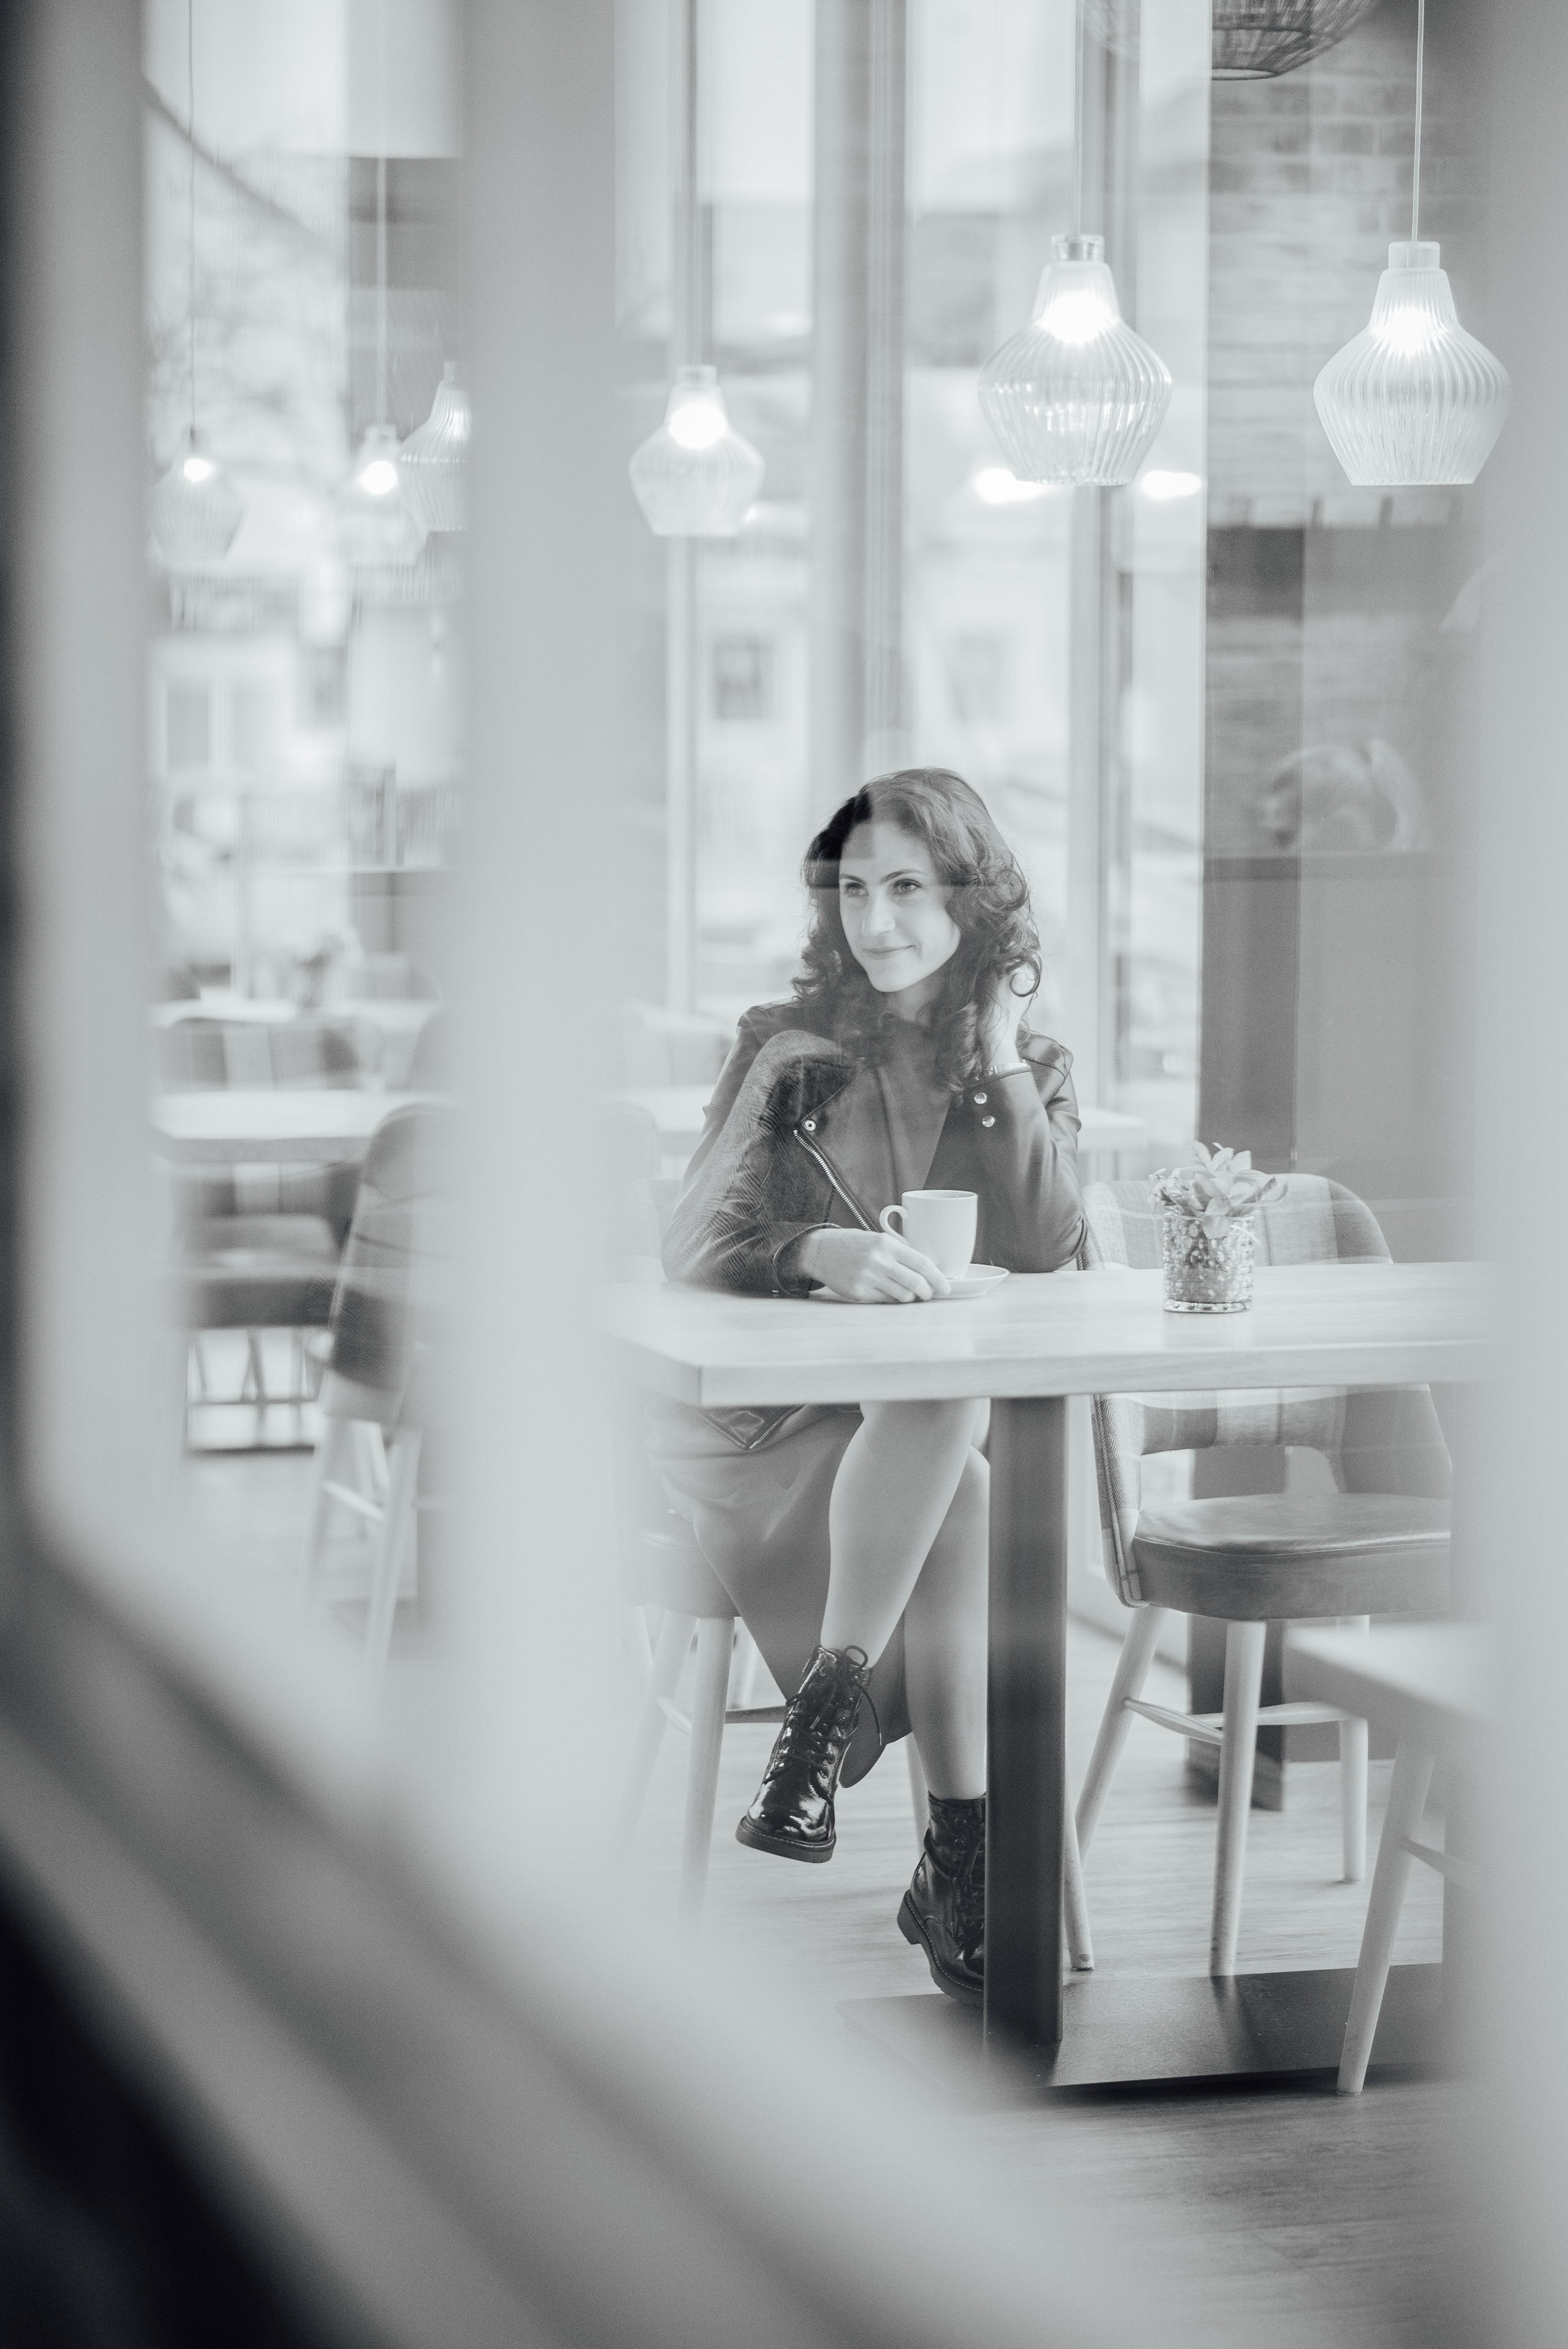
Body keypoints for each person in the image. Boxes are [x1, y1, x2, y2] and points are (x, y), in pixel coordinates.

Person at [651, 767, 1084, 2004]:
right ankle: (959, 1867)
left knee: (947, 1430)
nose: (875, 919)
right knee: (961, 1473)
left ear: (970, 900)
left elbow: (1049, 1245)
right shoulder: (785, 1049)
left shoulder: (1028, 1065)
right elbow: (690, 1235)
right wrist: (813, 1250)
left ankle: (822, 1733)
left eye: (906, 888)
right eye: (853, 889)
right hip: (764, 1429)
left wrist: (994, 1052)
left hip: (909, 1436)